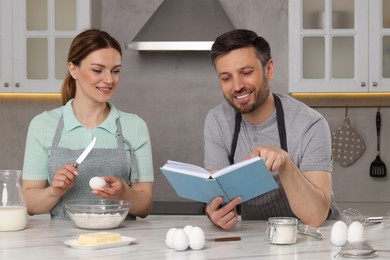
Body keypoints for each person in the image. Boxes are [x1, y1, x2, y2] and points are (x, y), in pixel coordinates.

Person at [204, 29, 340, 229]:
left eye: (247, 73)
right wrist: (214, 212)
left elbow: (315, 217)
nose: (237, 86)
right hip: (255, 237)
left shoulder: (310, 124)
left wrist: (285, 162)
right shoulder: (217, 121)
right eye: (226, 78)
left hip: (314, 238)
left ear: (268, 69)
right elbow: (217, 195)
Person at [22, 29, 154, 219]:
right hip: (60, 243)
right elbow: (30, 203)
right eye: (97, 70)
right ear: (73, 69)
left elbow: (144, 206)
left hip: (119, 240)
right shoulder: (43, 125)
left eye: (116, 71)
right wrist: (54, 191)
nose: (109, 80)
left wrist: (125, 193)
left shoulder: (134, 126)